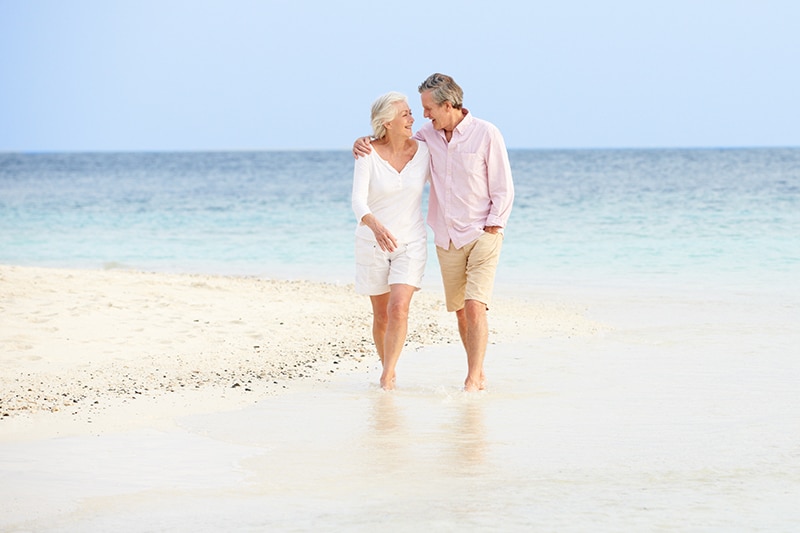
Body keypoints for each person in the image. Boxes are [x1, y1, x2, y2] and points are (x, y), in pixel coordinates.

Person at [354, 73, 514, 392]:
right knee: (459, 312)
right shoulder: (429, 137)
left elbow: (502, 185)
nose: (422, 115)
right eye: (417, 110)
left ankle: (473, 377)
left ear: (448, 104)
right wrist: (362, 141)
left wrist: (494, 225)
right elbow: (392, 144)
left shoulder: (486, 133)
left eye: (427, 108)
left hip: (482, 233)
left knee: (474, 305)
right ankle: (471, 372)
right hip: (447, 238)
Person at [351, 91, 431, 390]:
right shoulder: (367, 152)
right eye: (406, 114)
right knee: (382, 316)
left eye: (411, 113)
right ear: (387, 122)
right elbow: (358, 200)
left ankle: (386, 377)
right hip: (372, 242)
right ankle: (389, 370)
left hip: (411, 242)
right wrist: (375, 226)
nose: (413, 119)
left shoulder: (425, 151)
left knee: (399, 308)